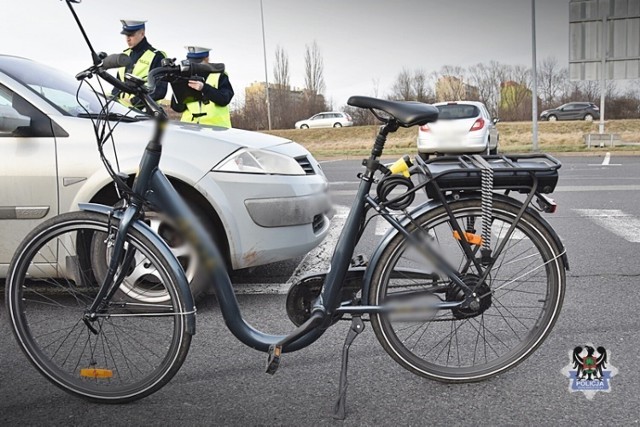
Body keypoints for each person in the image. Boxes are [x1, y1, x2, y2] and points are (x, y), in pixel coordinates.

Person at [171, 46, 234, 128]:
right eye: (192, 62)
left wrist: (204, 88)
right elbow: (177, 108)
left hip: (216, 128)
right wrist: (179, 87)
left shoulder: (219, 75)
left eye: (198, 62)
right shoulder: (184, 76)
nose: (194, 65)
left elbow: (225, 99)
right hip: (190, 128)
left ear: (207, 59)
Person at [113, 19, 167, 109]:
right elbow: (117, 86)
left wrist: (132, 102)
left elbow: (159, 91)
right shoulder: (124, 55)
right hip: (122, 111)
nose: (127, 39)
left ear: (142, 34)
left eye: (131, 35)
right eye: (126, 35)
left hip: (145, 113)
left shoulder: (157, 56)